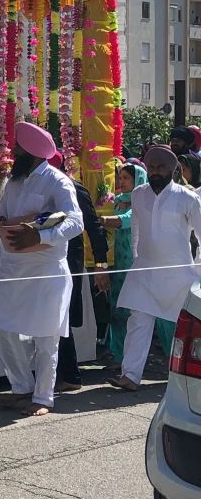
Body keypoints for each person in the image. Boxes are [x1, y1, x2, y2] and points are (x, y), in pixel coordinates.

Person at [0, 121, 83, 417]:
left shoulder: (57, 181)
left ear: (32, 153)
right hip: (12, 266)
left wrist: (40, 234)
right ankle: (22, 387)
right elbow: (3, 218)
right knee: (0, 323)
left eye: (18, 150)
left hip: (46, 268)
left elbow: (75, 222)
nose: (13, 154)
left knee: (46, 335)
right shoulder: (13, 182)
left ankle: (43, 397)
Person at [109, 145, 201, 391]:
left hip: (178, 274)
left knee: (185, 328)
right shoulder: (139, 194)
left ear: (173, 170)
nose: (155, 172)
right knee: (138, 320)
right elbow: (136, 231)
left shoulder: (188, 197)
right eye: (151, 167)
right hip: (145, 271)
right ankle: (130, 375)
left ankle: (186, 379)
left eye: (161, 167)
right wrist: (137, 260)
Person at [100, 163, 175, 367]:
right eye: (120, 177)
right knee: (119, 311)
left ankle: (173, 359)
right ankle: (120, 357)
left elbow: (125, 220)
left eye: (126, 178)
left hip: (139, 265)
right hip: (118, 266)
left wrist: (103, 219)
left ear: (138, 180)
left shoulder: (143, 202)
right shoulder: (114, 202)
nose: (121, 182)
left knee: (159, 316)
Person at [47, 152, 109, 393]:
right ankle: (60, 373)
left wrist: (100, 266)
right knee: (53, 315)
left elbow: (94, 228)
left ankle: (70, 375)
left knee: (61, 315)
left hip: (68, 260)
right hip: (46, 259)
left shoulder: (72, 187)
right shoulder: (40, 187)